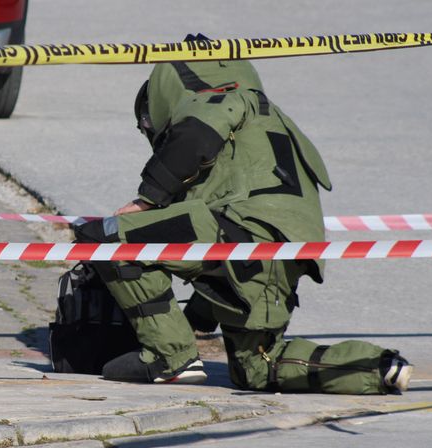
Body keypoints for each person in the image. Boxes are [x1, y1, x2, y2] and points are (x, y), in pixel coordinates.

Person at [74, 52, 412, 394]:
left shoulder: (223, 100)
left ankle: (169, 358)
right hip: (280, 255)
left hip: (242, 234)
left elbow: (193, 140)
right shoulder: (270, 118)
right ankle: (379, 367)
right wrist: (196, 319)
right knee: (258, 367)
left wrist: (146, 199)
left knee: (107, 237)